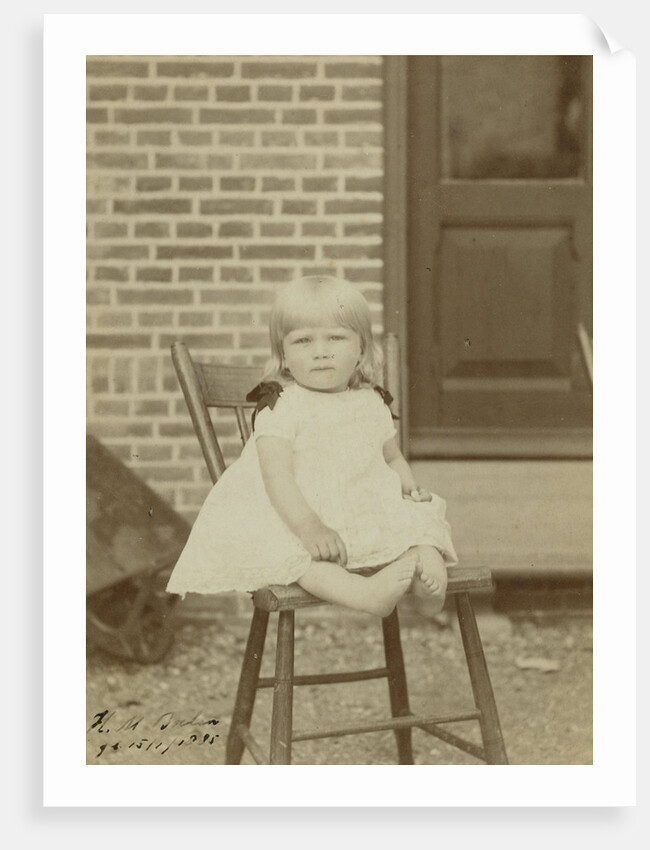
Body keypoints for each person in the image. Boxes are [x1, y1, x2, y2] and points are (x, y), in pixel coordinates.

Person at [166, 276, 458, 618]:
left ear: (361, 349)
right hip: (296, 513)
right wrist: (309, 526)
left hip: (357, 506)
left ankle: (426, 571)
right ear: (284, 356)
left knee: (420, 519)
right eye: (303, 340)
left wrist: (407, 483)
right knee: (300, 557)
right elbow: (277, 478)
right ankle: (364, 593)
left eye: (335, 337)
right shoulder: (281, 405)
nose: (320, 351)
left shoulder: (369, 402)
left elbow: (391, 457)